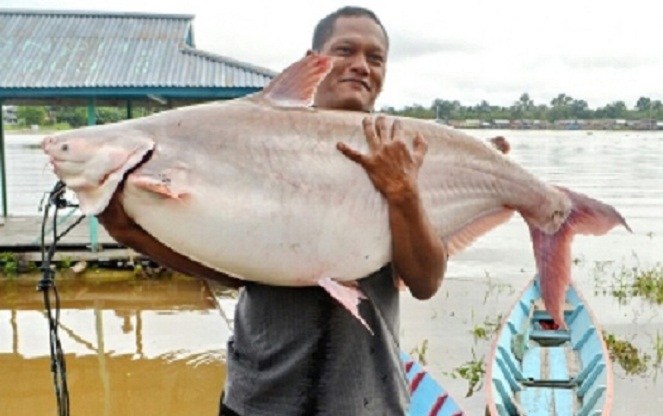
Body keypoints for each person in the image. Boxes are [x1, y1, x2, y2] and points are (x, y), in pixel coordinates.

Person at [219, 6, 447, 416]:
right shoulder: (266, 142)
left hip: (368, 401)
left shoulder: (406, 152)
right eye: (345, 50)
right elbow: (221, 264)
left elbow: (425, 282)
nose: (361, 66)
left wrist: (403, 193)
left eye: (375, 58)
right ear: (313, 59)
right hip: (261, 399)